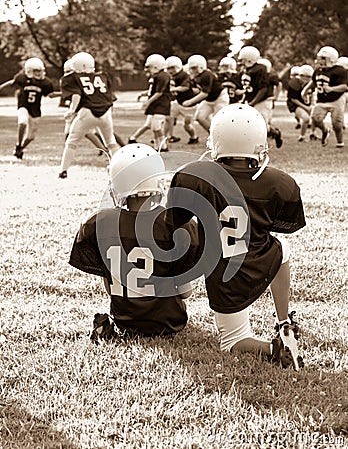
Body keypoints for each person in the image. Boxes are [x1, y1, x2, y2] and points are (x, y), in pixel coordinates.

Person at [166, 104, 306, 371]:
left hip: (225, 274)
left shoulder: (194, 176)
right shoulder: (280, 182)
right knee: (282, 247)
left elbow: (176, 221)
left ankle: (273, 348)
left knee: (234, 341)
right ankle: (284, 320)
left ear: (217, 142)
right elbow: (285, 226)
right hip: (263, 259)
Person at [69, 143, 198, 339]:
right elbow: (185, 293)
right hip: (170, 322)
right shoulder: (174, 225)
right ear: (158, 183)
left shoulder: (100, 224)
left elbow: (109, 288)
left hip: (125, 320)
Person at [58, 52, 119, 178]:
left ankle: (63, 170)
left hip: (87, 112)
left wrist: (72, 110)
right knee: (111, 142)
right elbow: (110, 99)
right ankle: (121, 168)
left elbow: (76, 95)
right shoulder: (103, 76)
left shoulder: (72, 78)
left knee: (72, 141)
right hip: (106, 113)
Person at [0, 57, 58, 159]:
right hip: (23, 105)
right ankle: (18, 144)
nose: (39, 73)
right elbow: (11, 82)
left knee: (31, 137)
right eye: (36, 71)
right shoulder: (22, 78)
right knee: (22, 122)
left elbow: (50, 94)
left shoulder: (45, 82)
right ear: (29, 70)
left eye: (40, 70)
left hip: (35, 110)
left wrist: (64, 94)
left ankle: (19, 149)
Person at [301, 46, 347, 148]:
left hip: (337, 99)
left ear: (331, 59)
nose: (319, 60)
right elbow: (314, 81)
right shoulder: (318, 70)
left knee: (337, 123)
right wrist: (305, 90)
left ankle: (340, 142)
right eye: (320, 57)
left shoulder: (339, 70)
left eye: (323, 58)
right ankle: (325, 130)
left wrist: (331, 89)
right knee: (315, 119)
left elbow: (344, 86)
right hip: (322, 99)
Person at [237, 46, 283, 148]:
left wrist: (254, 102)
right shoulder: (245, 70)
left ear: (249, 59)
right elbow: (249, 88)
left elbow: (263, 88)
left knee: (261, 125)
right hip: (251, 100)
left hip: (262, 100)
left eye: (243, 59)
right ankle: (256, 143)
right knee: (249, 124)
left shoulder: (260, 69)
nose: (240, 61)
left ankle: (272, 135)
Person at [129, 54, 171, 151]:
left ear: (156, 66)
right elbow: (153, 90)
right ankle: (157, 146)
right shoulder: (157, 76)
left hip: (161, 104)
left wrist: (147, 102)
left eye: (149, 67)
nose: (147, 69)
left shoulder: (163, 76)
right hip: (156, 104)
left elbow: (159, 92)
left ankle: (163, 145)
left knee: (156, 126)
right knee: (153, 126)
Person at [182, 54, 229, 133]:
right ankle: (213, 135)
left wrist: (190, 101)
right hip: (209, 99)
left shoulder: (206, 74)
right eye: (191, 68)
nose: (192, 70)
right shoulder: (196, 76)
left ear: (201, 66)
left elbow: (204, 93)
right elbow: (199, 90)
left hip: (219, 97)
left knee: (221, 121)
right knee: (200, 117)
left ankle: (226, 136)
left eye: (194, 68)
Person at [164, 56, 199, 145]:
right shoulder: (170, 76)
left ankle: (194, 137)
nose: (171, 70)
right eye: (169, 68)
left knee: (187, 125)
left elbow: (185, 87)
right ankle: (165, 137)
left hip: (188, 104)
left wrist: (172, 89)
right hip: (178, 102)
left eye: (172, 67)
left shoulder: (183, 75)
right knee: (168, 118)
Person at [287, 64, 315, 142]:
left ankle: (313, 133)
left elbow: (312, 94)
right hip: (295, 104)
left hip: (306, 103)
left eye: (308, 77)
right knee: (306, 118)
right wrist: (306, 107)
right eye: (303, 76)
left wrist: (312, 105)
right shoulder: (294, 83)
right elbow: (293, 99)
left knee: (315, 117)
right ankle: (302, 136)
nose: (306, 79)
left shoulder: (311, 84)